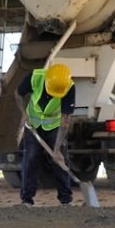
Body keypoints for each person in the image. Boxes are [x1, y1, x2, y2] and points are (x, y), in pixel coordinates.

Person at [15, 63, 76, 206]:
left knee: (60, 160)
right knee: (30, 158)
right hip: (33, 125)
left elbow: (65, 120)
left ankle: (66, 199)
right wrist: (24, 114)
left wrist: (57, 149)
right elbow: (17, 94)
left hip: (54, 126)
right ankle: (27, 199)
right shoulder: (35, 77)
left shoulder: (69, 87)